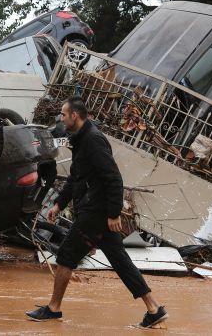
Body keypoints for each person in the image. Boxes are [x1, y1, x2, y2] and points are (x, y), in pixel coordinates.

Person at [26, 97, 168, 328]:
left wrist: (114, 214)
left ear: (75, 116)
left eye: (63, 114)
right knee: (120, 260)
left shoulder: (93, 140)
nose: (60, 119)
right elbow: (76, 177)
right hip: (96, 210)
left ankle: (53, 308)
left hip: (95, 212)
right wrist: (59, 204)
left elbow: (113, 178)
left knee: (65, 257)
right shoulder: (81, 140)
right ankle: (154, 309)